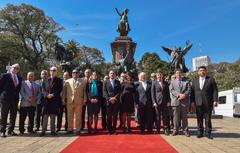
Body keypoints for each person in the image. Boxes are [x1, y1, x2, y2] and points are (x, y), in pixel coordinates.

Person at [191, 66, 218, 139]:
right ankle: (200, 132)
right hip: (198, 102)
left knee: (208, 118)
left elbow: (215, 90)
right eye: (200, 70)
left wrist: (215, 100)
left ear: (206, 71)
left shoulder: (211, 79)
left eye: (203, 70)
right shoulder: (194, 81)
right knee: (199, 118)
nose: (202, 71)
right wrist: (192, 102)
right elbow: (192, 92)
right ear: (198, 72)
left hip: (208, 102)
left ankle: (208, 133)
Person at [0, 63, 22, 137]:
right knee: (4, 115)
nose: (15, 69)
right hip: (5, 98)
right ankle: (2, 131)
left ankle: (11, 130)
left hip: (15, 99)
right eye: (14, 67)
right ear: (11, 68)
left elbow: (18, 89)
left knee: (13, 115)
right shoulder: (5, 76)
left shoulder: (19, 78)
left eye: (17, 68)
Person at [62, 69, 87, 135]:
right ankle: (70, 129)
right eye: (73, 72)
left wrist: (85, 100)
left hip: (79, 101)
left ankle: (78, 130)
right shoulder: (67, 81)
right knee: (69, 116)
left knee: (78, 116)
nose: (75, 73)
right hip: (70, 101)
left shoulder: (83, 81)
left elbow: (84, 92)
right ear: (72, 74)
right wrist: (63, 99)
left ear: (78, 74)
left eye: (76, 72)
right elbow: (64, 92)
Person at [41, 67, 63, 136]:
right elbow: (42, 89)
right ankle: (43, 131)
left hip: (54, 101)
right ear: (49, 71)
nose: (52, 71)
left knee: (53, 116)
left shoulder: (59, 80)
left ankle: (52, 130)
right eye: (51, 70)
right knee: (45, 116)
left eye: (54, 70)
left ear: (56, 72)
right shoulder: (45, 80)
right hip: (46, 101)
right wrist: (47, 95)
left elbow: (59, 89)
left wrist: (52, 95)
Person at [169, 69, 191, 137]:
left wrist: (184, 95)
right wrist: (179, 95)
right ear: (175, 74)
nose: (178, 74)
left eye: (179, 73)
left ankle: (185, 130)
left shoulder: (186, 81)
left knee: (184, 117)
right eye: (177, 73)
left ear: (181, 74)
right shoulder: (172, 82)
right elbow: (171, 90)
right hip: (175, 101)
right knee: (175, 117)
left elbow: (189, 90)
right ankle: (175, 130)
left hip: (184, 101)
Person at [151, 70, 171, 135]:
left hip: (165, 102)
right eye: (158, 75)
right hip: (157, 102)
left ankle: (165, 129)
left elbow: (168, 93)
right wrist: (154, 102)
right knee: (158, 116)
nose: (159, 76)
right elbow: (152, 93)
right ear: (156, 76)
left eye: (160, 75)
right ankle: (158, 129)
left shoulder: (165, 83)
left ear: (162, 76)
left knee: (165, 116)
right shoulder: (154, 83)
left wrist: (168, 101)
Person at [103, 70, 121, 135]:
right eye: (111, 73)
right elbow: (104, 91)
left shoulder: (118, 82)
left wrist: (114, 98)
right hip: (108, 102)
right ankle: (109, 130)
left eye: (113, 73)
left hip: (116, 102)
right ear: (109, 74)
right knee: (109, 116)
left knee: (115, 116)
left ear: (115, 75)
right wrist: (109, 98)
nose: (112, 74)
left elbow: (119, 92)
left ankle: (114, 129)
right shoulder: (105, 82)